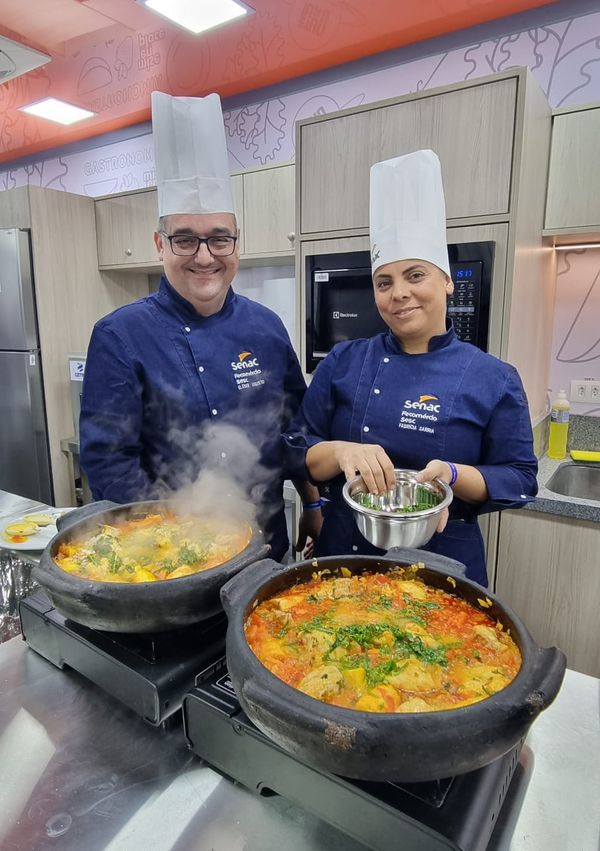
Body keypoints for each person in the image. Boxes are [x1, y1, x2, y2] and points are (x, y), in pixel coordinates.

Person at [80, 92, 322, 561]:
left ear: (237, 241)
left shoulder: (266, 327)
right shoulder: (119, 336)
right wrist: (177, 539)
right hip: (170, 557)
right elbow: (110, 462)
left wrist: (313, 502)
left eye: (218, 239)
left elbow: (296, 430)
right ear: (160, 244)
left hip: (265, 545)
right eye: (185, 239)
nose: (205, 256)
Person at [283, 149, 537, 585]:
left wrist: (454, 476)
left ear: (447, 280)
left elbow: (519, 480)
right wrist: (343, 451)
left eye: (415, 275)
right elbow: (296, 452)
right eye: (385, 282)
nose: (398, 293)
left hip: (443, 566)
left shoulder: (493, 378)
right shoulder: (344, 361)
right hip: (344, 553)